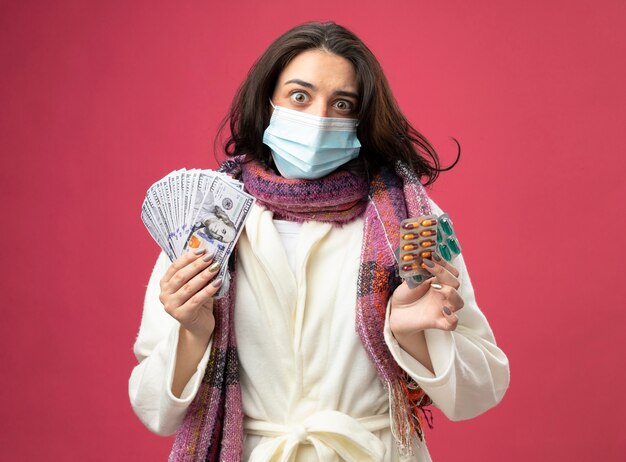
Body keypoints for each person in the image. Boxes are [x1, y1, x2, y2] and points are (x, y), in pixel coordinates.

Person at [129, 22, 509, 461]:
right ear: (268, 101)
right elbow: (153, 409)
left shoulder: (415, 221)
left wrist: (412, 335)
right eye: (300, 96)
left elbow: (482, 390)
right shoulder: (208, 220)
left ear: (361, 120)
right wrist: (194, 332)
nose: (319, 118)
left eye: (342, 103)